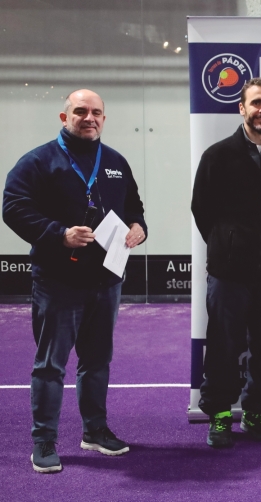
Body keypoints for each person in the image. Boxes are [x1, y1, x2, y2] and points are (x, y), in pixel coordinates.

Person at [3, 89, 147, 473]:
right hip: (58, 281)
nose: (89, 118)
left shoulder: (115, 161)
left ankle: (95, 431)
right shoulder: (37, 161)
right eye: (80, 111)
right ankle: (44, 440)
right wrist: (57, 233)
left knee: (97, 361)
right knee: (51, 365)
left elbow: (134, 207)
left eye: (96, 112)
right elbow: (13, 207)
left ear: (104, 118)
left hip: (106, 281)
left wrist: (139, 228)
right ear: (64, 117)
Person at [191, 77, 261, 448]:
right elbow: (202, 209)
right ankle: (220, 413)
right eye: (256, 103)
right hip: (228, 272)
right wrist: (230, 243)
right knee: (224, 344)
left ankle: (257, 411)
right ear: (242, 108)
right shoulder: (218, 155)